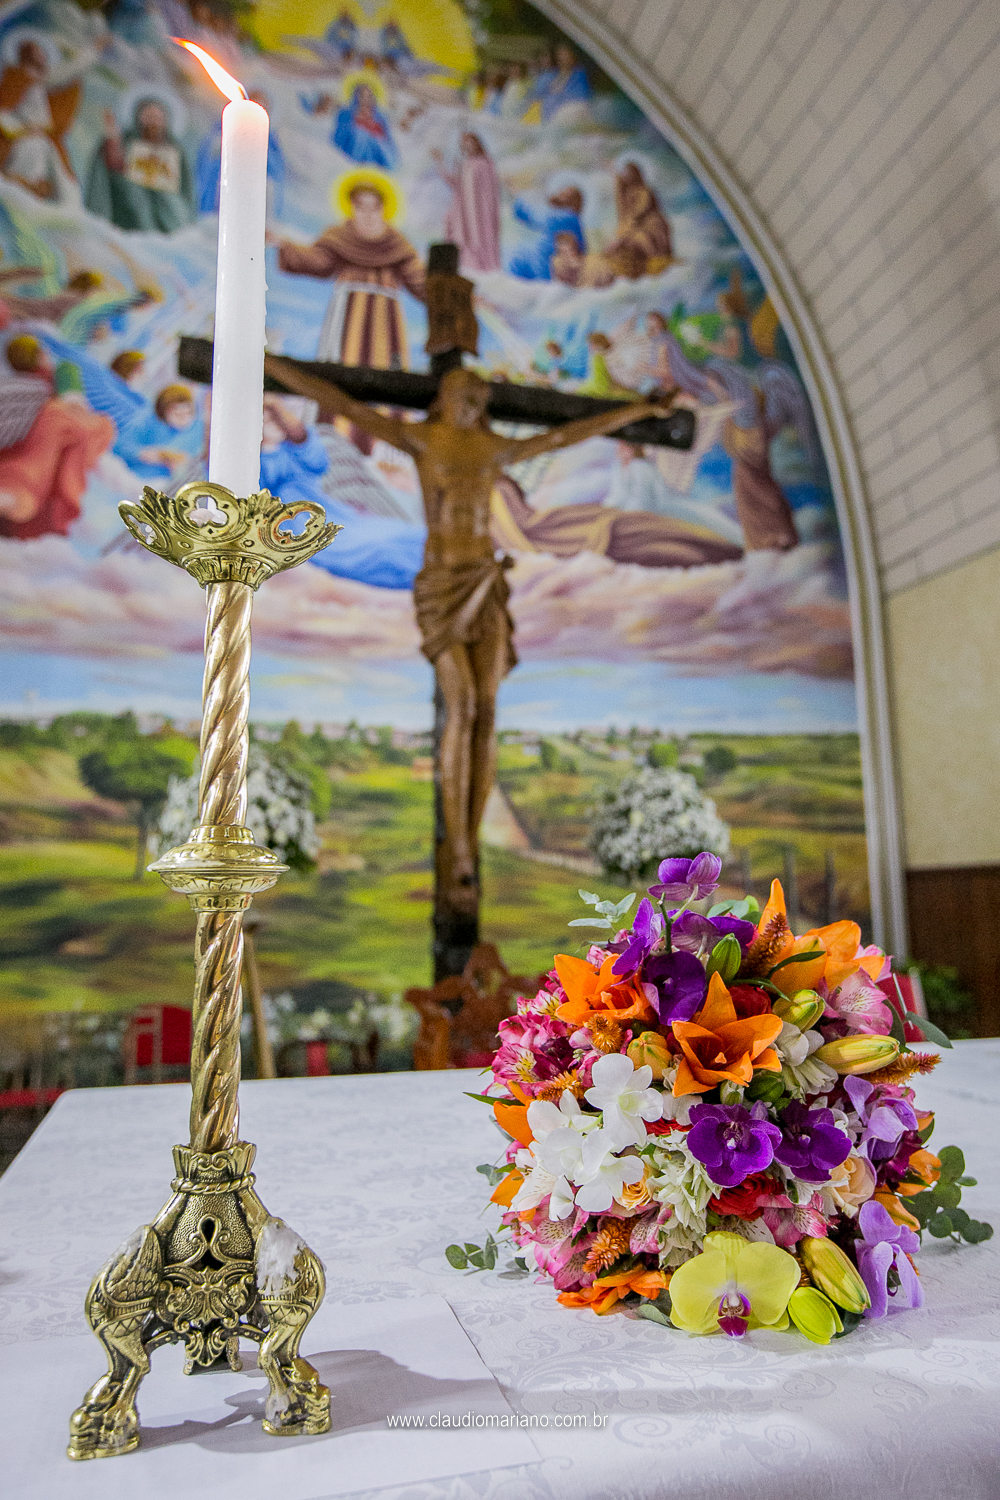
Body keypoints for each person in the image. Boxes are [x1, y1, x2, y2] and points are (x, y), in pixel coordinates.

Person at [263, 354, 677, 911]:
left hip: (485, 579)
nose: (469, 404)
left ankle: (472, 838)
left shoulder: (493, 449)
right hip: (442, 583)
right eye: (461, 394)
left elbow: (566, 435)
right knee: (461, 706)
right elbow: (341, 403)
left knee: (487, 707)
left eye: (476, 398)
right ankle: (458, 840)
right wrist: (269, 364)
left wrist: (639, 410)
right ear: (444, 398)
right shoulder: (421, 440)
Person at [276, 175, 424, 449]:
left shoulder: (397, 245)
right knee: (339, 370)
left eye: (373, 207)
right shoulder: (340, 238)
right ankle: (335, 437)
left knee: (387, 375)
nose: (367, 214)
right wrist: (285, 246)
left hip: (386, 323)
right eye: (360, 207)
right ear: (351, 208)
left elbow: (420, 281)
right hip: (347, 318)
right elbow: (318, 262)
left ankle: (381, 445)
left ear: (384, 209)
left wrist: (458, 294)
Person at [259, 395, 425, 590]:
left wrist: (275, 407)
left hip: (340, 520)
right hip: (313, 535)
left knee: (408, 535)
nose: (272, 423)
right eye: (265, 420)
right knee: (383, 549)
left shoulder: (296, 453)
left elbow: (307, 447)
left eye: (275, 419)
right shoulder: (260, 465)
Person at [0, 333, 113, 539]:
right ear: (42, 354)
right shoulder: (59, 377)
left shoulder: (37, 384)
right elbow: (76, 407)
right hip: (36, 446)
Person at [85, 96, 195, 233]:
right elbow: (113, 168)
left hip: (166, 205)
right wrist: (113, 143)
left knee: (174, 205)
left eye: (157, 117)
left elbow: (184, 187)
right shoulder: (127, 141)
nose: (153, 121)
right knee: (134, 197)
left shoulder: (175, 149)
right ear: (139, 118)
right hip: (130, 205)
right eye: (148, 116)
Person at [0, 37, 82, 202]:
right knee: (35, 145)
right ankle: (24, 186)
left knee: (52, 157)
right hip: (14, 138)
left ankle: (44, 191)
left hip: (39, 137)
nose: (42, 57)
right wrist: (24, 129)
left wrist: (40, 128)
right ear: (26, 57)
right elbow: (4, 111)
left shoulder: (43, 85)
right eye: (37, 54)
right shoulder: (14, 78)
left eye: (42, 54)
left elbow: (47, 119)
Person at [196, 89, 285, 217]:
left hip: (253, 195)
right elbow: (208, 159)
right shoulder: (221, 130)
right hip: (222, 190)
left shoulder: (270, 140)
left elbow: (276, 171)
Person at [432, 133, 501, 274]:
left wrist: (486, 210)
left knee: (478, 239)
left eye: (470, 142)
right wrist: (440, 162)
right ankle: (455, 270)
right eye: (465, 144)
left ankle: (482, 269)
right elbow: (454, 183)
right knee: (454, 233)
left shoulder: (486, 163)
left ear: (477, 144)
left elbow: (490, 191)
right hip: (462, 210)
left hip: (479, 211)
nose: (468, 146)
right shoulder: (464, 163)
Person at [113, 382, 204, 482]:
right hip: (138, 479)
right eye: (178, 414)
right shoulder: (147, 422)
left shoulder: (198, 427)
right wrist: (141, 453)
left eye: (189, 413)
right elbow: (117, 446)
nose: (185, 419)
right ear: (164, 412)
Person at [606, 162, 673, 279]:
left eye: (629, 174)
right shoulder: (628, 192)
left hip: (650, 225)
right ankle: (625, 263)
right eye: (625, 175)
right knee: (622, 241)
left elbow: (640, 211)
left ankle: (653, 257)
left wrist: (628, 226)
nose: (626, 177)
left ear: (635, 174)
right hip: (635, 224)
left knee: (639, 238)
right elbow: (622, 205)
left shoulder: (644, 191)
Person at [509, 185, 583, 280]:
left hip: (547, 259)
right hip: (550, 258)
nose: (561, 194)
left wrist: (518, 198)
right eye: (562, 192)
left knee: (519, 258)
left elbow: (531, 216)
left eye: (566, 194)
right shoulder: (572, 218)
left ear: (573, 200)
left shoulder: (565, 216)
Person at [332, 79, 398, 170]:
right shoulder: (345, 114)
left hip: (378, 154)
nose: (366, 99)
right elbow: (339, 136)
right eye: (362, 95)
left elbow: (388, 139)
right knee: (361, 135)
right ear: (356, 96)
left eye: (369, 95)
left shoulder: (380, 116)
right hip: (354, 151)